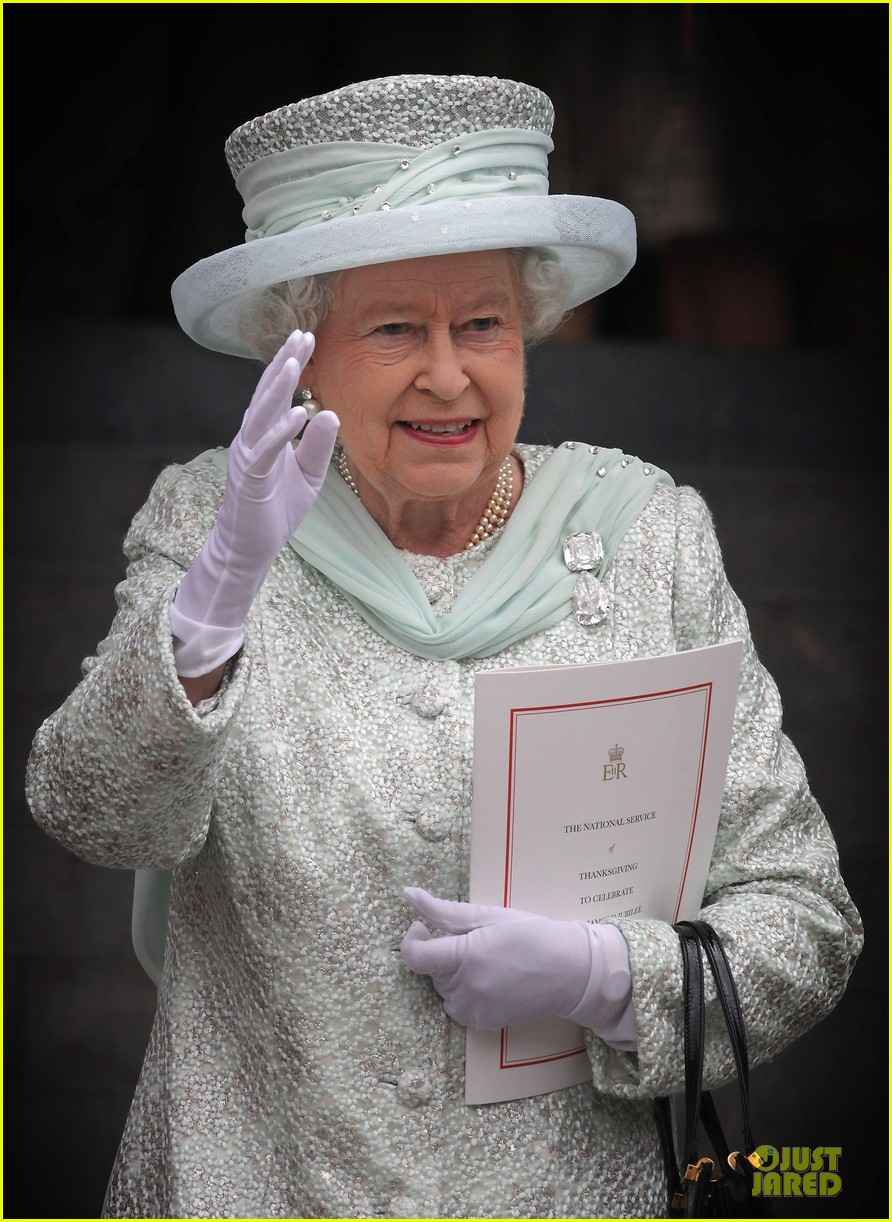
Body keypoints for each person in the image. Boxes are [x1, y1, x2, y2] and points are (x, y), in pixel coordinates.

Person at [26, 73, 862, 1220]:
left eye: (482, 323)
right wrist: (218, 596)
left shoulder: (649, 538)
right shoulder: (214, 521)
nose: (448, 373)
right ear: (299, 354)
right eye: (393, 329)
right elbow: (90, 811)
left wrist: (610, 978)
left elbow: (805, 921)